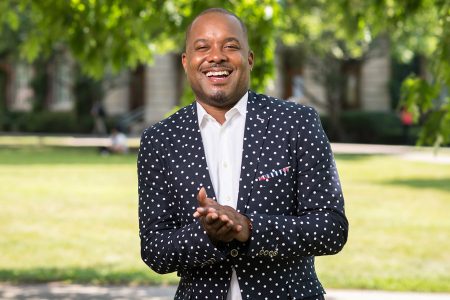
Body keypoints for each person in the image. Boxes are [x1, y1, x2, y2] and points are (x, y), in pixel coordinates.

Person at [137, 8, 348, 300]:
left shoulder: (296, 123)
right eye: (202, 47)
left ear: (249, 59)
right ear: (186, 63)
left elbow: (331, 228)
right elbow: (154, 250)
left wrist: (248, 228)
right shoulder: (160, 140)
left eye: (230, 46)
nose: (216, 56)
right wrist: (209, 235)